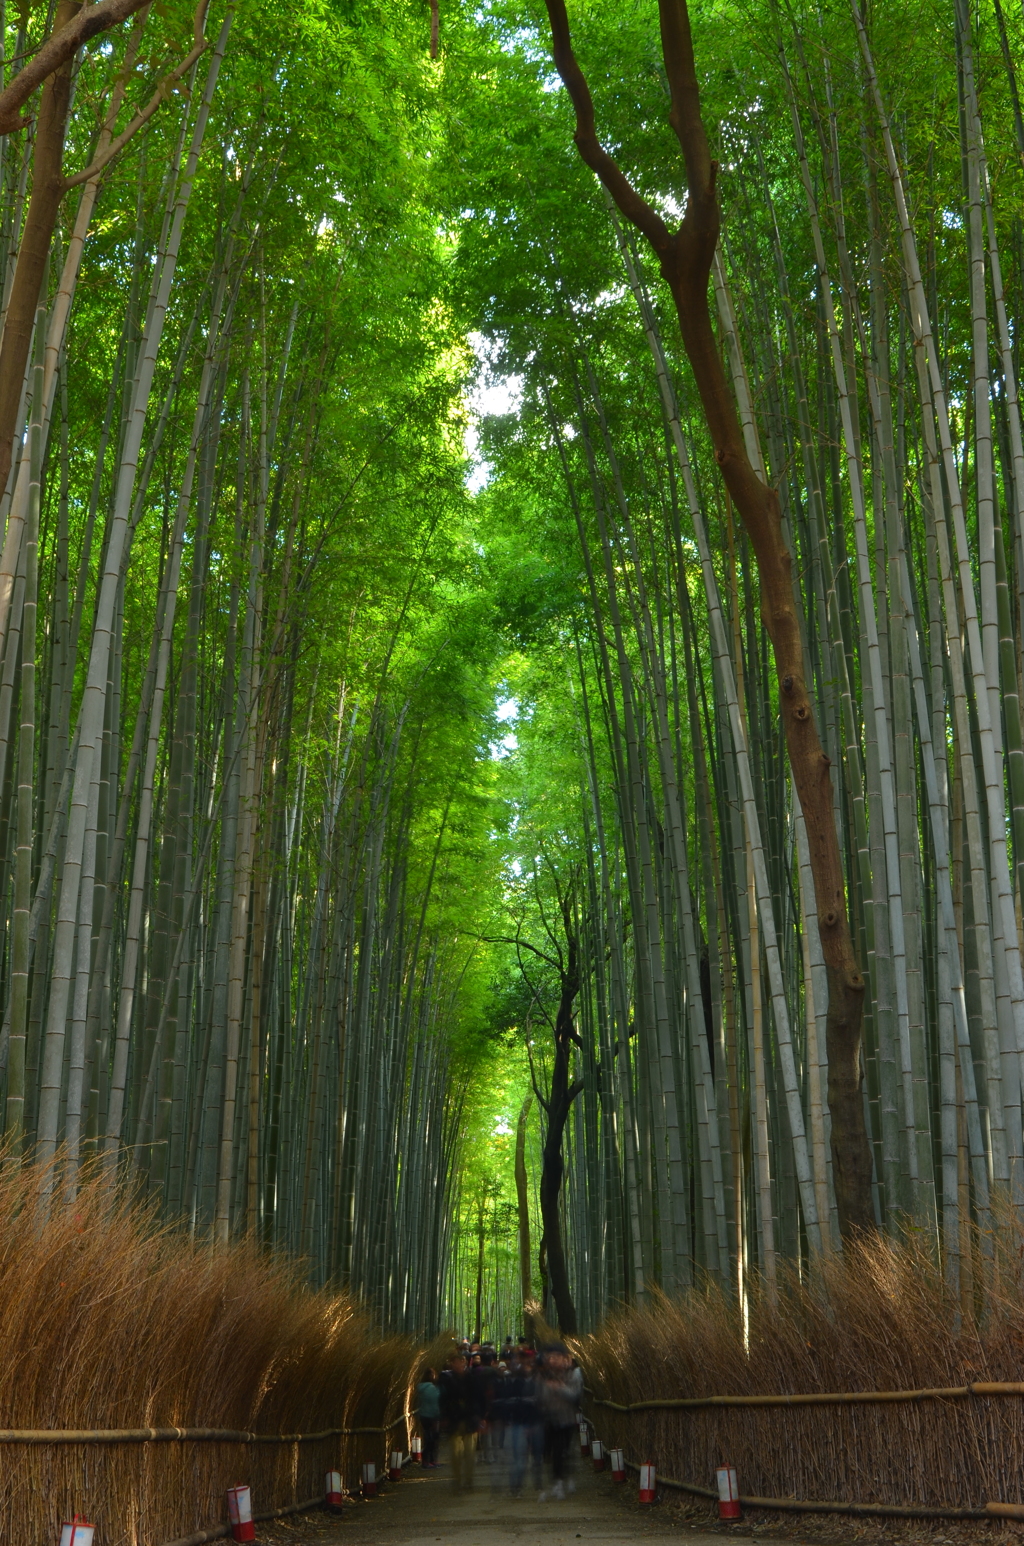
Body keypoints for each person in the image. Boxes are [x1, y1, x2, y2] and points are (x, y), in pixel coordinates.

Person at [535, 1343, 583, 1501]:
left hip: (566, 1418)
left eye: (557, 1357)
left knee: (565, 1450)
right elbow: (539, 1397)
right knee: (553, 1452)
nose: (553, 1360)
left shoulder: (573, 1374)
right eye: (550, 1357)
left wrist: (560, 1387)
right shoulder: (543, 1375)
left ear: (565, 1358)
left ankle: (564, 1478)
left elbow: (575, 1396)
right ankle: (557, 1481)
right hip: (550, 1419)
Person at [501, 1352, 543, 1497]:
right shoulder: (514, 1382)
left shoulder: (538, 1381)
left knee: (537, 1457)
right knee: (519, 1459)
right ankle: (516, 1486)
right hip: (519, 1424)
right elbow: (509, 1403)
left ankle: (537, 1483)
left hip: (535, 1423)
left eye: (529, 1363)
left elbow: (542, 1404)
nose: (527, 1366)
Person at [438, 1350, 481, 1492]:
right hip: (454, 1420)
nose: (458, 1365)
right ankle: (457, 1481)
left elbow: (478, 1399)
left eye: (461, 1362)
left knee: (469, 1454)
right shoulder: (446, 1379)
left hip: (469, 1420)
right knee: (456, 1455)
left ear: (464, 1362)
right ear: (451, 1364)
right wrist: (444, 1417)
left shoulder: (472, 1378)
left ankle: (469, 1481)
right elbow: (442, 1399)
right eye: (455, 1362)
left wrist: (479, 1416)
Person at [415, 1366, 441, 1468]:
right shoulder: (432, 1388)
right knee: (432, 1439)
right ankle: (429, 1460)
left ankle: (428, 1460)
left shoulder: (420, 1388)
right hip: (432, 1416)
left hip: (423, 1415)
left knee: (427, 1438)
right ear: (431, 1376)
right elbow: (436, 1402)